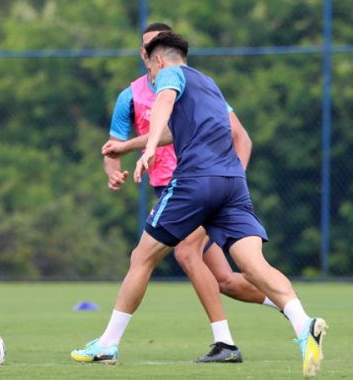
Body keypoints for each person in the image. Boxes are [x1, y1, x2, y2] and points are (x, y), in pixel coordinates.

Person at [71, 32, 327, 379]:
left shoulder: (169, 75)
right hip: (232, 184)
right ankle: (304, 325)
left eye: (148, 62)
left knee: (142, 257)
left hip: (195, 182)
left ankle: (106, 345)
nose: (149, 71)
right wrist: (132, 145)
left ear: (157, 60)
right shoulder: (208, 84)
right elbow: (178, 130)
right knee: (252, 265)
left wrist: (146, 152)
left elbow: (163, 104)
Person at [98, 23, 280, 363]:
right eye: (145, 46)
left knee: (183, 253)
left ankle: (224, 343)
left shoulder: (193, 84)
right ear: (143, 54)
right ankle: (292, 307)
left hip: (199, 185)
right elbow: (115, 147)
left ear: (166, 52)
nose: (149, 51)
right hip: (170, 190)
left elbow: (242, 138)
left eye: (155, 44)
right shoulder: (131, 95)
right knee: (225, 280)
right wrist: (114, 174)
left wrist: (230, 181)